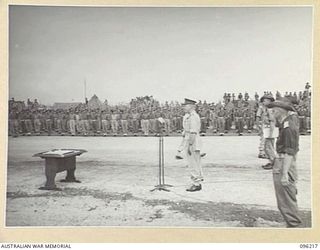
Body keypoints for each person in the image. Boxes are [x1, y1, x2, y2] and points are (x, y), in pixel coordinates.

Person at [266, 98, 302, 228]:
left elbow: (289, 152)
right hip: (284, 161)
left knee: (284, 196)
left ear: (281, 111)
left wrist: (285, 174)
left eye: (274, 111)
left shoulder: (288, 127)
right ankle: (291, 222)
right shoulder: (288, 121)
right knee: (287, 194)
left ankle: (293, 224)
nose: (272, 113)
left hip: (284, 162)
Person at [181, 98, 203, 192]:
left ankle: (196, 183)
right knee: (194, 162)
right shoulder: (188, 116)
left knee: (193, 163)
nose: (184, 107)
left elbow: (193, 132)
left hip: (193, 141)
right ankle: (197, 181)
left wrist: (190, 144)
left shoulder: (193, 116)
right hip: (190, 140)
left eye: (185, 105)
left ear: (191, 106)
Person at [260, 93, 278, 169]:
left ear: (269, 101)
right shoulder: (267, 109)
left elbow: (272, 121)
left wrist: (270, 133)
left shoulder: (270, 110)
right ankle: (271, 161)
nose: (263, 103)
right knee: (267, 147)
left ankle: (274, 163)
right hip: (267, 129)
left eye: (264, 101)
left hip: (270, 130)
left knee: (268, 147)